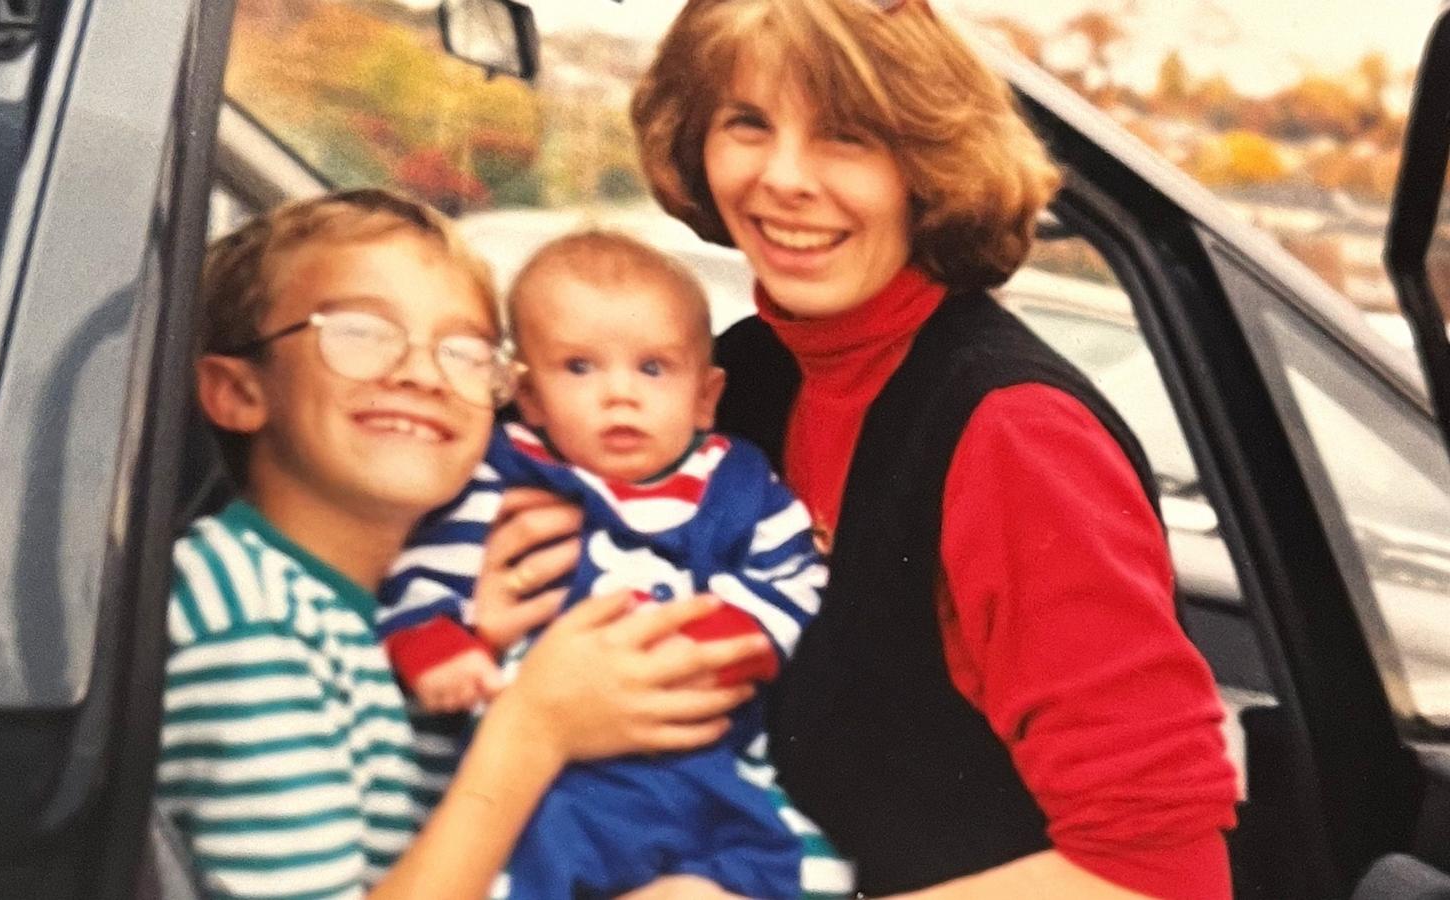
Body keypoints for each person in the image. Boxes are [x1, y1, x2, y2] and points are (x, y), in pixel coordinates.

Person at [637, 0, 1245, 897]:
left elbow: (1162, 874)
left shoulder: (1015, 435)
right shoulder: (742, 377)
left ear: (927, 163)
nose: (784, 178)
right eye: (748, 125)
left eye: (846, 136)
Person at [154, 189, 770, 900]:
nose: (422, 373)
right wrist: (533, 727)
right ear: (237, 391)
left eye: (466, 351)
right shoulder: (249, 620)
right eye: (359, 333)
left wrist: (476, 651)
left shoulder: (376, 605)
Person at [373, 231, 828, 899]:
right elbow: (426, 576)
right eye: (580, 368)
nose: (620, 394)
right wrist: (441, 650)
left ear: (705, 397)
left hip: (707, 766)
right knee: (527, 870)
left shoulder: (738, 486)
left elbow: (796, 582)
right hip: (554, 781)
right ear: (527, 398)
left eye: (652, 369)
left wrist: (710, 642)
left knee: (777, 862)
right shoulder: (502, 481)